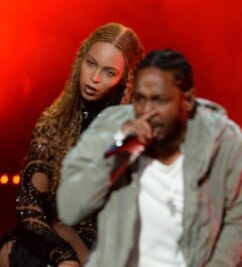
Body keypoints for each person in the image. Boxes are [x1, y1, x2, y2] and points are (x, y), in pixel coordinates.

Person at [57, 49, 242, 267]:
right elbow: (70, 207)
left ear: (187, 100)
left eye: (159, 100)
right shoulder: (112, 127)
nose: (147, 111)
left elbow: (236, 219)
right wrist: (119, 151)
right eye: (140, 99)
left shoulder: (225, 142)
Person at [0, 22, 144, 267]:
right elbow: (29, 206)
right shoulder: (54, 125)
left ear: (125, 80)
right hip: (55, 242)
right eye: (91, 64)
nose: (95, 78)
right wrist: (62, 255)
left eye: (109, 72)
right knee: (16, 250)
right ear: (80, 61)